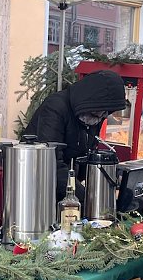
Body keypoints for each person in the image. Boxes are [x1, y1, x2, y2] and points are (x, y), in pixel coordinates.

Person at [22, 69, 126, 199]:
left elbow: (88, 155)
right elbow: (51, 164)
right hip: (39, 187)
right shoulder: (55, 108)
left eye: (106, 113)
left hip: (68, 185)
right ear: (89, 104)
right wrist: (86, 197)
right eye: (98, 113)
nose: (102, 117)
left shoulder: (94, 114)